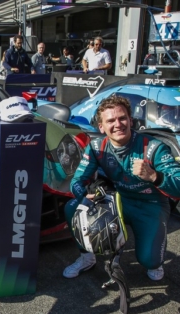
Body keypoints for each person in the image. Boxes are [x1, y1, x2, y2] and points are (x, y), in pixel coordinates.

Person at [63, 95, 180, 282]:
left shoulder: (154, 148)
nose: (118, 124)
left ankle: (154, 257)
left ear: (130, 121)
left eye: (122, 118)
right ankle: (87, 257)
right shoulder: (96, 146)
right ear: (101, 127)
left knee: (150, 261)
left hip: (151, 205)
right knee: (73, 207)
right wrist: (84, 195)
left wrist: (154, 176)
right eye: (111, 121)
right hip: (119, 201)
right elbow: (77, 181)